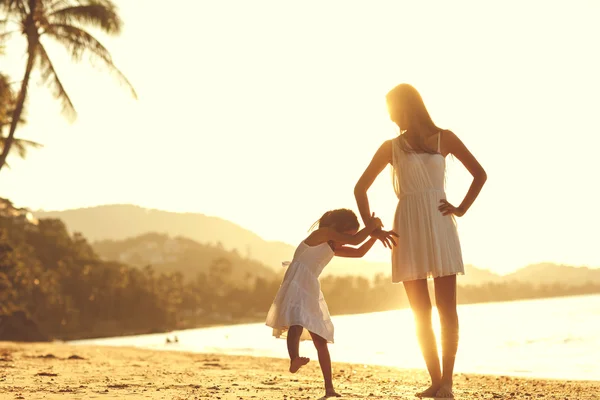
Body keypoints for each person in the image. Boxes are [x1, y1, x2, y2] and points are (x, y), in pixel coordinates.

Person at [354, 83, 487, 398]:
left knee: (447, 308)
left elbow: (480, 174)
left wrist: (461, 208)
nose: (389, 118)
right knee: (420, 311)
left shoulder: (446, 138)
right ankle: (435, 380)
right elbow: (360, 188)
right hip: (408, 227)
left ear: (406, 107)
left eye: (391, 110)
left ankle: (447, 384)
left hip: (440, 225)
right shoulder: (390, 147)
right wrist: (372, 227)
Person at [266, 208, 396, 398]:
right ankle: (294, 359)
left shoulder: (332, 245)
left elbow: (359, 251)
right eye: (345, 234)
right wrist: (373, 226)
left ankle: (329, 388)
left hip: (310, 287)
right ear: (336, 227)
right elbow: (355, 240)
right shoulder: (322, 234)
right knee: (296, 322)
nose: (345, 240)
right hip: (296, 283)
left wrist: (374, 236)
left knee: (320, 340)